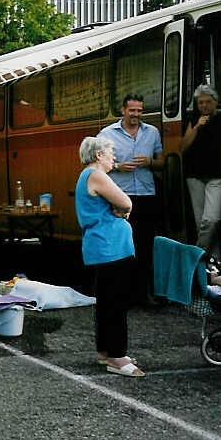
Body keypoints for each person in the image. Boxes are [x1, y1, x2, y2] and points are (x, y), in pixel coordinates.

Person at [76, 136, 144, 377]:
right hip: (111, 247)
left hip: (103, 246)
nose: (113, 157)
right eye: (110, 152)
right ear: (98, 155)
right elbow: (126, 202)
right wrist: (125, 210)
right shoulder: (96, 175)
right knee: (116, 301)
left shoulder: (87, 176)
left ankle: (106, 351)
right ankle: (117, 356)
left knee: (106, 301)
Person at [98, 93, 162, 305]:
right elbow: (95, 165)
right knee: (121, 246)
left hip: (145, 195)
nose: (136, 115)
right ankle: (122, 296)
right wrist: (117, 167)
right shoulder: (107, 134)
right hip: (119, 195)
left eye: (139, 111)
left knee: (145, 246)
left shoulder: (152, 132)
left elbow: (162, 162)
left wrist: (150, 162)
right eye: (132, 110)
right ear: (123, 110)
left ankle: (144, 294)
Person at [181, 84, 221, 260]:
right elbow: (183, 147)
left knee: (212, 219)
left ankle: (195, 258)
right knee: (202, 223)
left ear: (215, 102)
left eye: (208, 102)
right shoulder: (193, 120)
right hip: (195, 177)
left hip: (220, 177)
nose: (204, 106)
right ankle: (213, 265)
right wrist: (196, 128)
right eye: (200, 102)